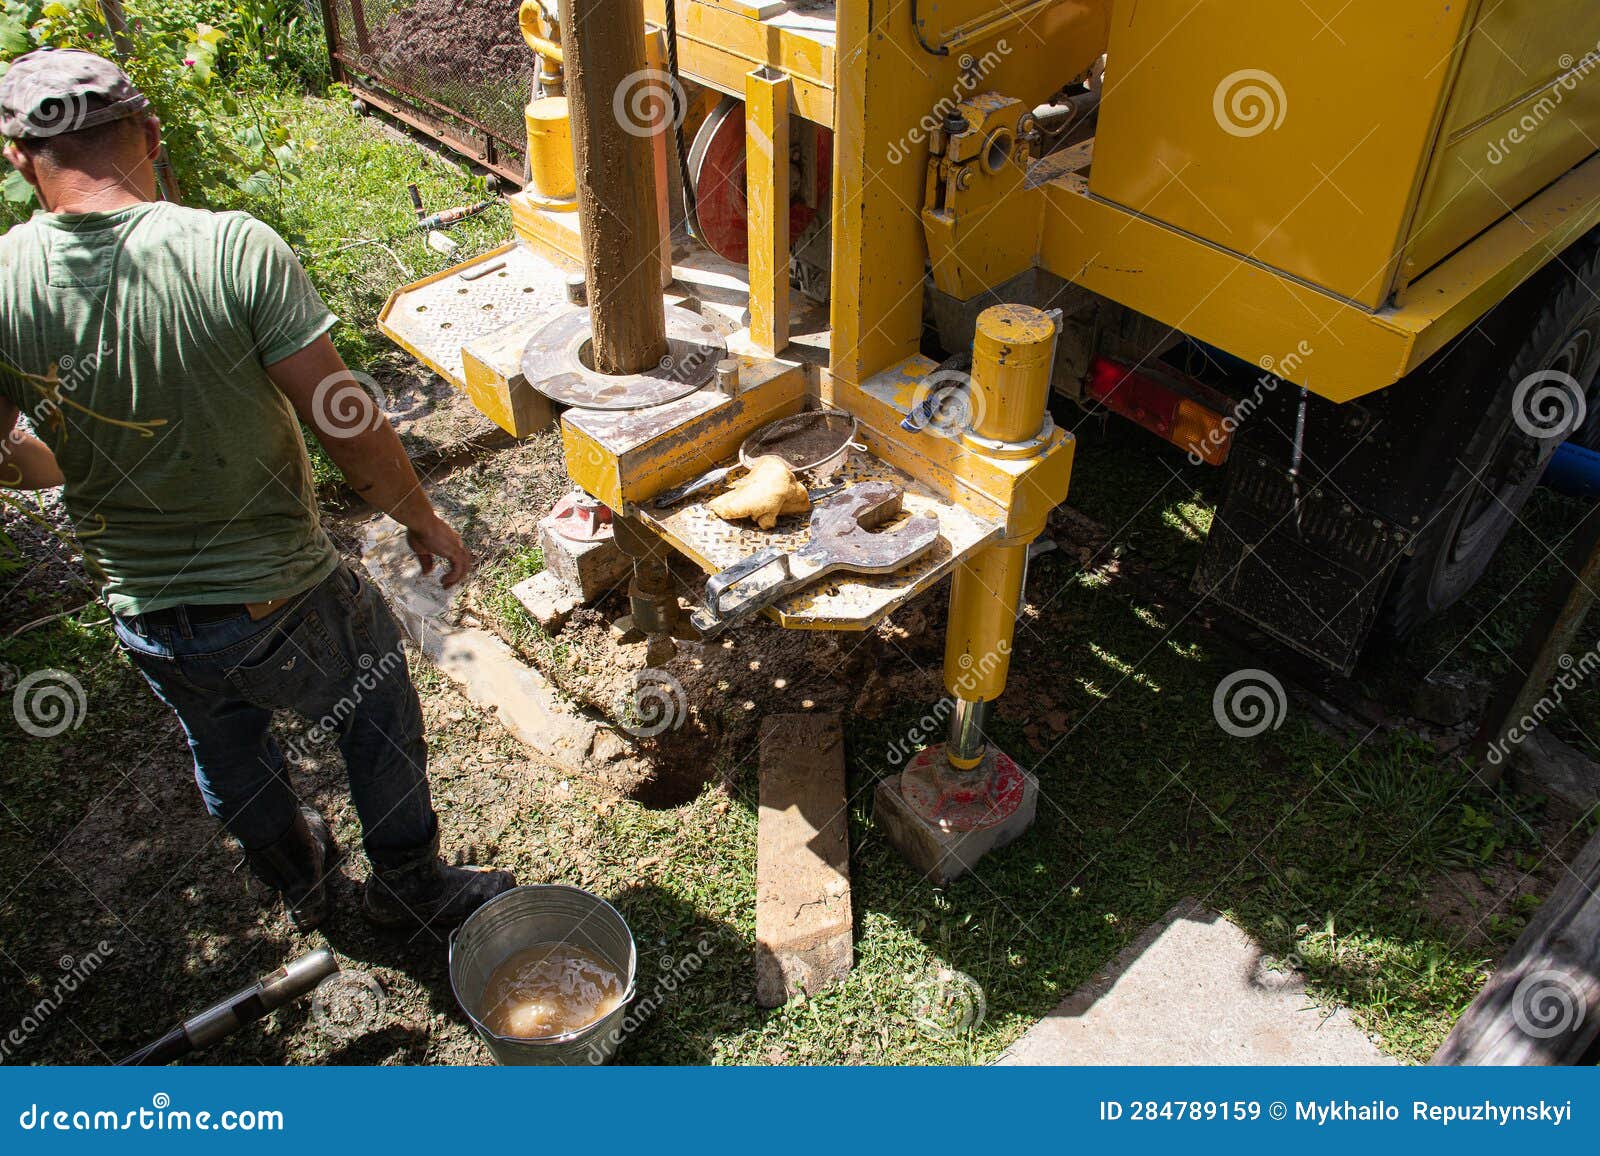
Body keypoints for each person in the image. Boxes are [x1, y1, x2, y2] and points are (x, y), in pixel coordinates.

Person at [0, 48, 515, 933]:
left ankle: (293, 875)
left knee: (223, 741)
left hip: (146, 611)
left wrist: (80, 446)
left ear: (18, 160)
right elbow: (345, 418)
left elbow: (16, 459)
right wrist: (419, 516)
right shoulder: (230, 248)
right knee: (375, 702)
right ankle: (411, 889)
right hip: (274, 592)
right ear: (151, 136)